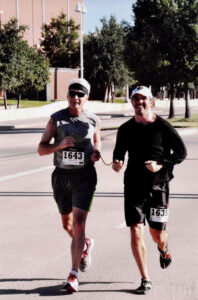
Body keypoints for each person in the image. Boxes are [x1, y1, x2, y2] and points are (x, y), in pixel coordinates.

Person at [112, 86, 187, 295]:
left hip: (158, 186)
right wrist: (117, 163)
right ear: (132, 103)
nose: (139, 102)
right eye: (135, 99)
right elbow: (119, 154)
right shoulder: (125, 129)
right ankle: (145, 278)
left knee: (157, 234)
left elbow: (181, 153)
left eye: (143, 99)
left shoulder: (163, 126)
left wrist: (161, 163)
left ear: (151, 102)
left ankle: (163, 249)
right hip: (133, 186)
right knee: (136, 230)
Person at [38, 78, 101, 293]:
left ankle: (73, 275)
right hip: (61, 177)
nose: (76, 97)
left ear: (87, 97)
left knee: (79, 224)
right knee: (68, 225)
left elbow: (96, 143)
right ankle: (85, 245)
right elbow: (41, 149)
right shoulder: (56, 120)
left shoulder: (93, 119)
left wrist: (95, 154)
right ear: (67, 96)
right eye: (72, 93)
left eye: (80, 94)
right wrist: (60, 145)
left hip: (85, 177)